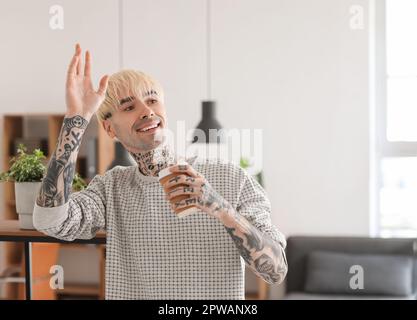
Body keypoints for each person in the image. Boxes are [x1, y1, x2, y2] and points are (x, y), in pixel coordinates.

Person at [33, 43, 288, 299]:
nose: (148, 111)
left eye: (153, 100)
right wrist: (77, 119)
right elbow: (50, 221)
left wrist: (219, 208)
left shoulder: (232, 178)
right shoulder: (110, 187)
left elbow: (276, 272)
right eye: (129, 107)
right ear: (110, 130)